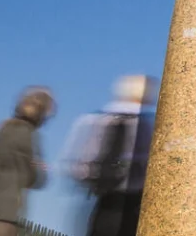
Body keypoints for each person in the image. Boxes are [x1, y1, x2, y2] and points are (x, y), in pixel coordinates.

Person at [64, 75, 155, 236]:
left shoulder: (92, 120)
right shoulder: (148, 124)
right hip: (133, 202)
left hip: (102, 199)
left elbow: (75, 163)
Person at [0, 87, 55, 236]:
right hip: (4, 213)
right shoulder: (28, 135)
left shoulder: (4, 128)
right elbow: (36, 178)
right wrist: (39, 169)